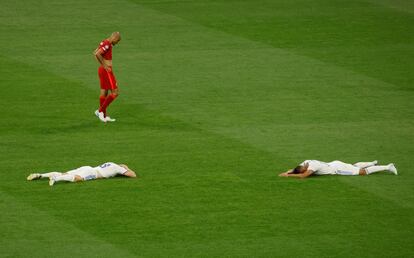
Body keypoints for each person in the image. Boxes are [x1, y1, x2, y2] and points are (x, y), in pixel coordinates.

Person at [27, 162, 137, 186]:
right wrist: (126, 167)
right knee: (78, 179)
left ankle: (40, 175)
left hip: (87, 167)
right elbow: (133, 175)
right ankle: (56, 178)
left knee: (64, 172)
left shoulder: (111, 163)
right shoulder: (118, 168)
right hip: (93, 172)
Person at [93, 32, 121, 123]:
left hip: (102, 70)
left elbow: (94, 53)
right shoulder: (108, 44)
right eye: (117, 41)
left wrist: (102, 65)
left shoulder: (104, 42)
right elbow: (97, 54)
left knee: (104, 92)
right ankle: (100, 111)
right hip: (106, 71)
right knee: (115, 92)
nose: (117, 43)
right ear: (115, 38)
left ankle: (103, 115)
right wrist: (105, 65)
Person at [279, 160, 397, 178]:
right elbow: (296, 170)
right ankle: (372, 162)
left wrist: (289, 175)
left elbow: (303, 176)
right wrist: (287, 172)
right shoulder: (305, 162)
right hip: (335, 163)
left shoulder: (311, 167)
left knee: (362, 173)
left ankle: (388, 167)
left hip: (337, 169)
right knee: (354, 166)